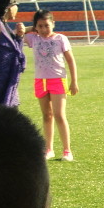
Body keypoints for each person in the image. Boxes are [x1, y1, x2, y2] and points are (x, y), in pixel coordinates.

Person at [23, 10, 79, 161]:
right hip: (41, 81)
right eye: (40, 26)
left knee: (59, 115)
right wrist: (32, 28)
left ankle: (67, 150)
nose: (43, 29)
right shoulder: (33, 38)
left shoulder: (61, 39)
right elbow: (18, 32)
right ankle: (48, 149)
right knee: (47, 116)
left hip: (57, 79)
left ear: (53, 24)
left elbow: (70, 60)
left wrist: (74, 81)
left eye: (47, 25)